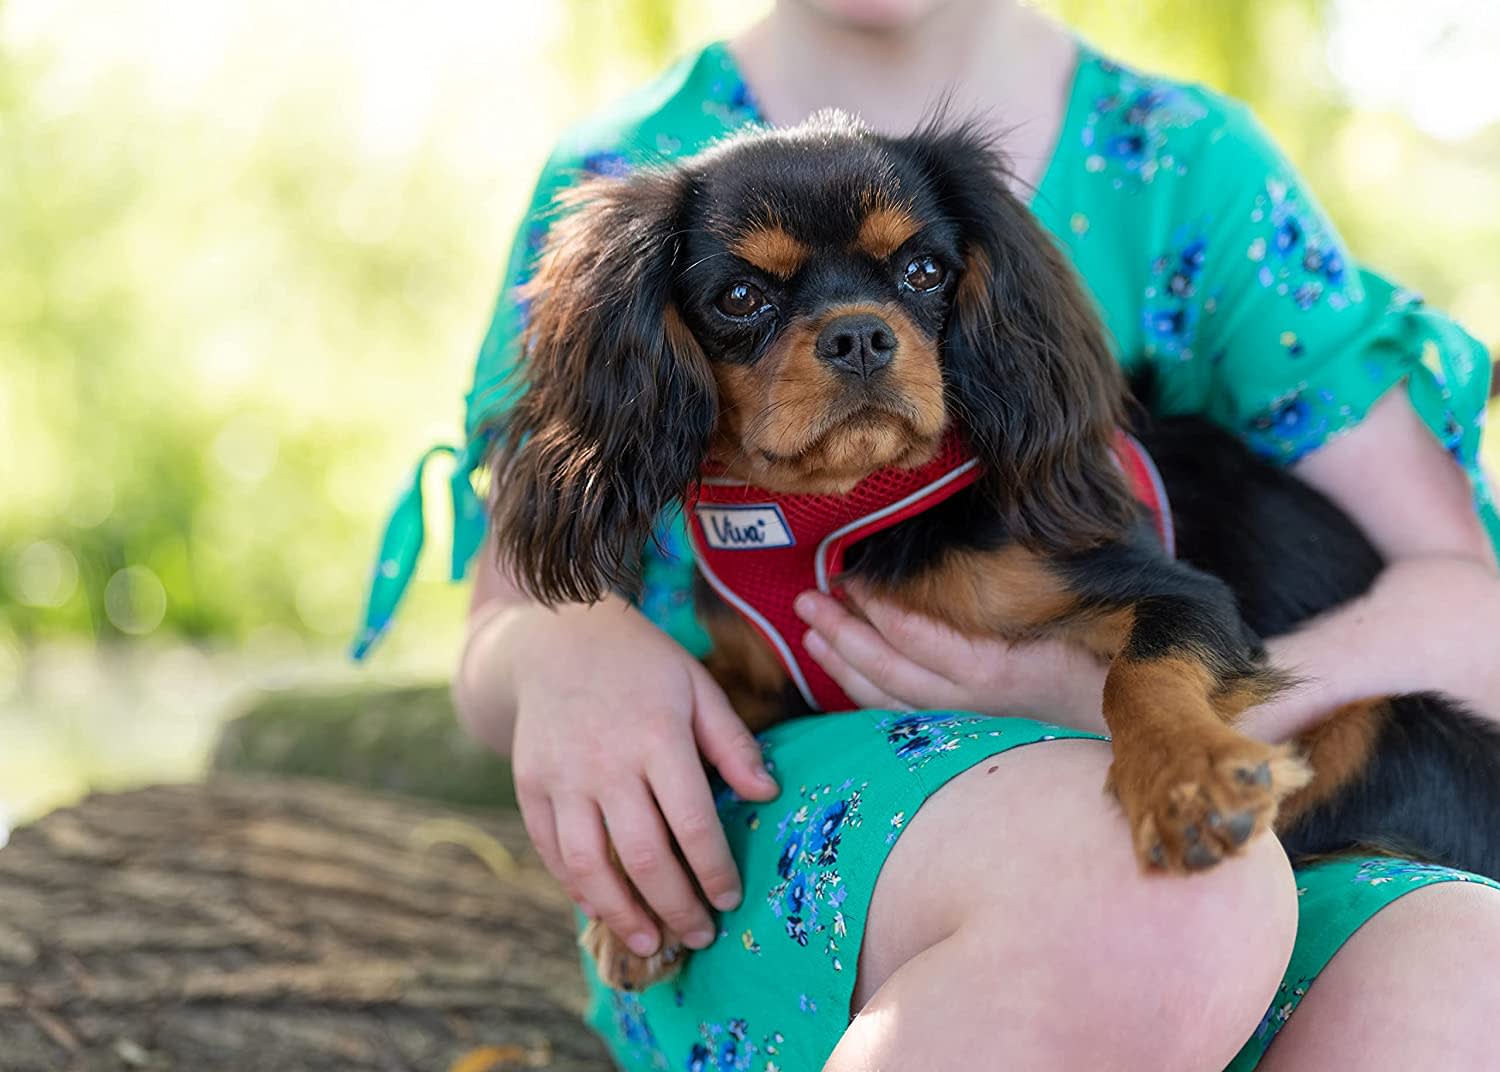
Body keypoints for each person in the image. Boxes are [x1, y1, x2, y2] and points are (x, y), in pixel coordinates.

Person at [356, 2, 1500, 1068]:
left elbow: (1469, 603)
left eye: (915, 275)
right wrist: (559, 650)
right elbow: (516, 604)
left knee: (1466, 971)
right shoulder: (614, 179)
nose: (856, 334)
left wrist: (1113, 705)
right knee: (1158, 905)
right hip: (783, 854)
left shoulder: (1188, 163)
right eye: (748, 300)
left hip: (1294, 813)